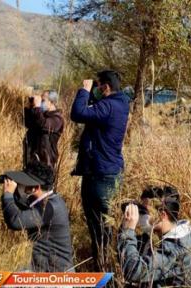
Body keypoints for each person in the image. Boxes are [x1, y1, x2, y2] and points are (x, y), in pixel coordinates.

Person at [70, 70, 130, 269]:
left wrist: (84, 91)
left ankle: (102, 268)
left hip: (100, 174)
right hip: (109, 172)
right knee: (107, 225)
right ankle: (108, 265)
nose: (95, 90)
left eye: (98, 86)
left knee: (100, 226)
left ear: (105, 87)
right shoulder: (120, 105)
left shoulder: (108, 105)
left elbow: (78, 113)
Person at [118, 192, 191, 287]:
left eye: (143, 212)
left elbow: (133, 272)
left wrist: (128, 231)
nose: (139, 217)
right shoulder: (184, 234)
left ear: (162, 215)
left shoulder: (174, 249)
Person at [1, 162, 74, 272]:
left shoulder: (49, 207)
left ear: (35, 188)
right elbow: (26, 207)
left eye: (24, 183)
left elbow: (15, 221)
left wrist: (8, 195)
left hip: (55, 275)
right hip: (46, 268)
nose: (21, 185)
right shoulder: (51, 199)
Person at [23, 90, 64, 171]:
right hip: (32, 159)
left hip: (46, 163)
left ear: (51, 102)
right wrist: (30, 106)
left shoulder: (57, 119)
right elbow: (27, 123)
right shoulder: (41, 115)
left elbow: (43, 124)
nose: (41, 103)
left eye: (43, 100)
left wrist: (37, 107)